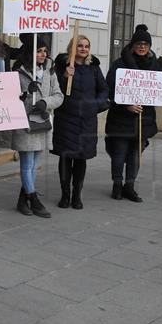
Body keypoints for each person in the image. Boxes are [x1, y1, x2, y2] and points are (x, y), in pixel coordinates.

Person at [51, 35, 109, 210]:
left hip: (86, 120)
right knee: (66, 157)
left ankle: (77, 195)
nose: (83, 49)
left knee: (81, 157)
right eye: (80, 46)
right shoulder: (62, 65)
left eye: (86, 46)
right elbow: (54, 90)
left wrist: (96, 104)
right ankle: (65, 195)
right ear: (72, 47)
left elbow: (104, 89)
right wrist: (64, 76)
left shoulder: (93, 68)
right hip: (66, 118)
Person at [105, 24, 159, 202]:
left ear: (149, 46)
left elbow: (160, 90)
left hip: (144, 118)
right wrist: (126, 106)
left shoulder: (154, 66)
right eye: (139, 43)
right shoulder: (119, 65)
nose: (142, 46)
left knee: (135, 155)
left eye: (145, 44)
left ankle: (130, 185)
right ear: (132, 45)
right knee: (119, 153)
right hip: (121, 117)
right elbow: (109, 90)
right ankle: (117, 184)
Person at [12, 34, 63, 218]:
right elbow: (12, 98)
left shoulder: (50, 71)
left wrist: (44, 102)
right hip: (25, 123)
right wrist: (26, 95)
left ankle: (22, 199)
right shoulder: (18, 72)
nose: (43, 55)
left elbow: (59, 96)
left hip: (43, 121)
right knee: (27, 163)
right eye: (39, 51)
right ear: (30, 53)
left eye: (45, 51)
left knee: (35, 164)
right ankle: (33, 199)